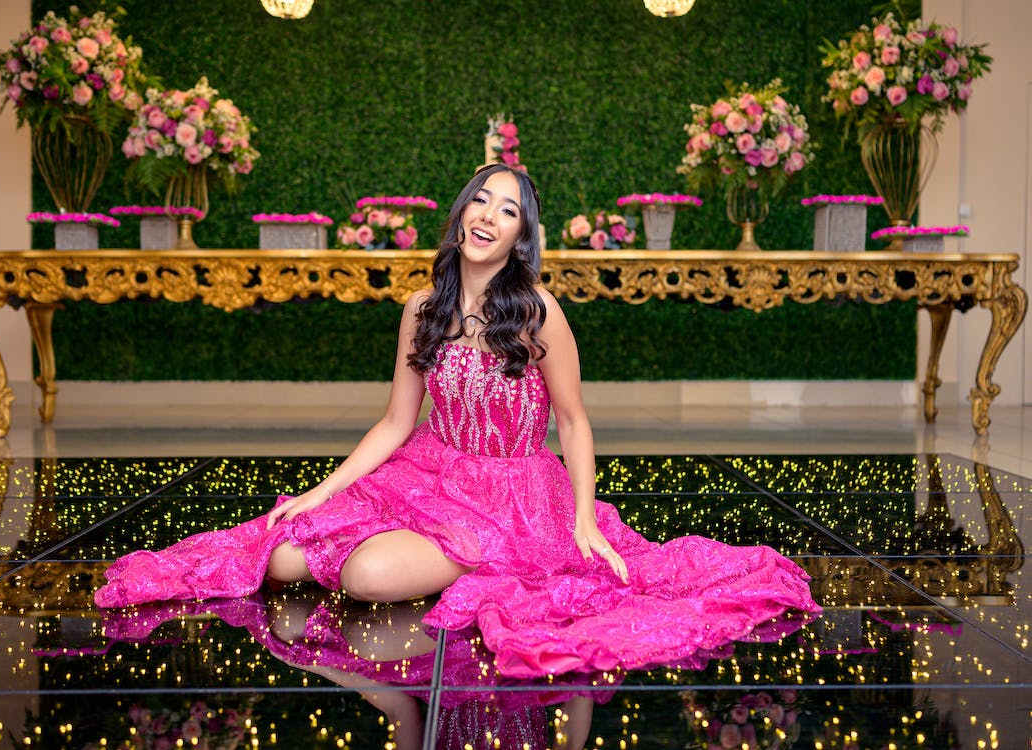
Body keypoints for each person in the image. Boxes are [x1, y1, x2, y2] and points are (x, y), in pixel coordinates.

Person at [96, 164, 820, 677]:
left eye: (507, 210)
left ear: (520, 236)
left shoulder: (536, 312)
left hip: (510, 493)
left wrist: (584, 521)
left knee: (366, 574)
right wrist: (319, 492)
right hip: (429, 471)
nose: (488, 215)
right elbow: (393, 423)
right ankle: (417, 554)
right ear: (461, 213)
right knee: (283, 555)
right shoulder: (422, 308)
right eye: (481, 200)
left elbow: (574, 423)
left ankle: (474, 562)